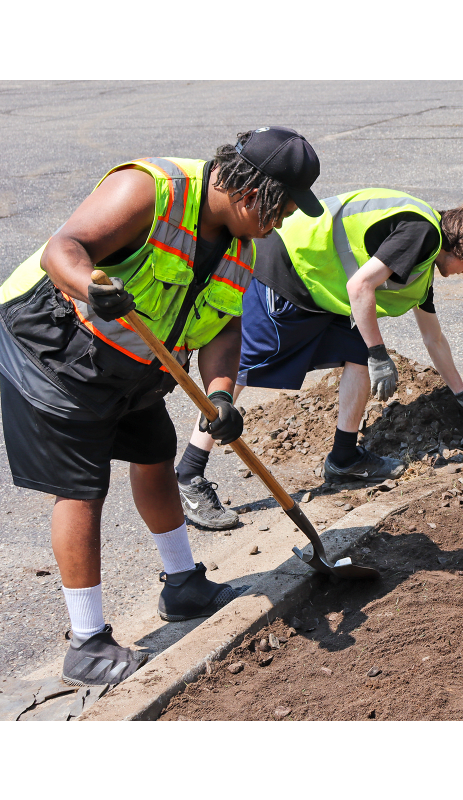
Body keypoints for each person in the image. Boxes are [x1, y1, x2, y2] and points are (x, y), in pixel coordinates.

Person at [0, 126, 323, 686]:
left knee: (155, 452)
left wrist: (219, 395)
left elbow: (223, 328)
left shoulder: (242, 246)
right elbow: (63, 249)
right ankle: (86, 644)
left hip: (136, 360)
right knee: (81, 486)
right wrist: (90, 286)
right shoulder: (154, 190)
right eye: (282, 210)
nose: (280, 223)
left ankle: (183, 585)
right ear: (252, 195)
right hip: (54, 343)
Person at [175, 188, 463, 527]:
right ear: (460, 247)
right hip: (287, 268)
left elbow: (434, 338)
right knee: (239, 370)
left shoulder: (422, 260)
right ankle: (189, 473)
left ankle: (344, 459)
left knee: (357, 353)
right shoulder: (421, 233)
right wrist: (379, 354)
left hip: (318, 286)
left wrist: (462, 394)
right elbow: (360, 287)